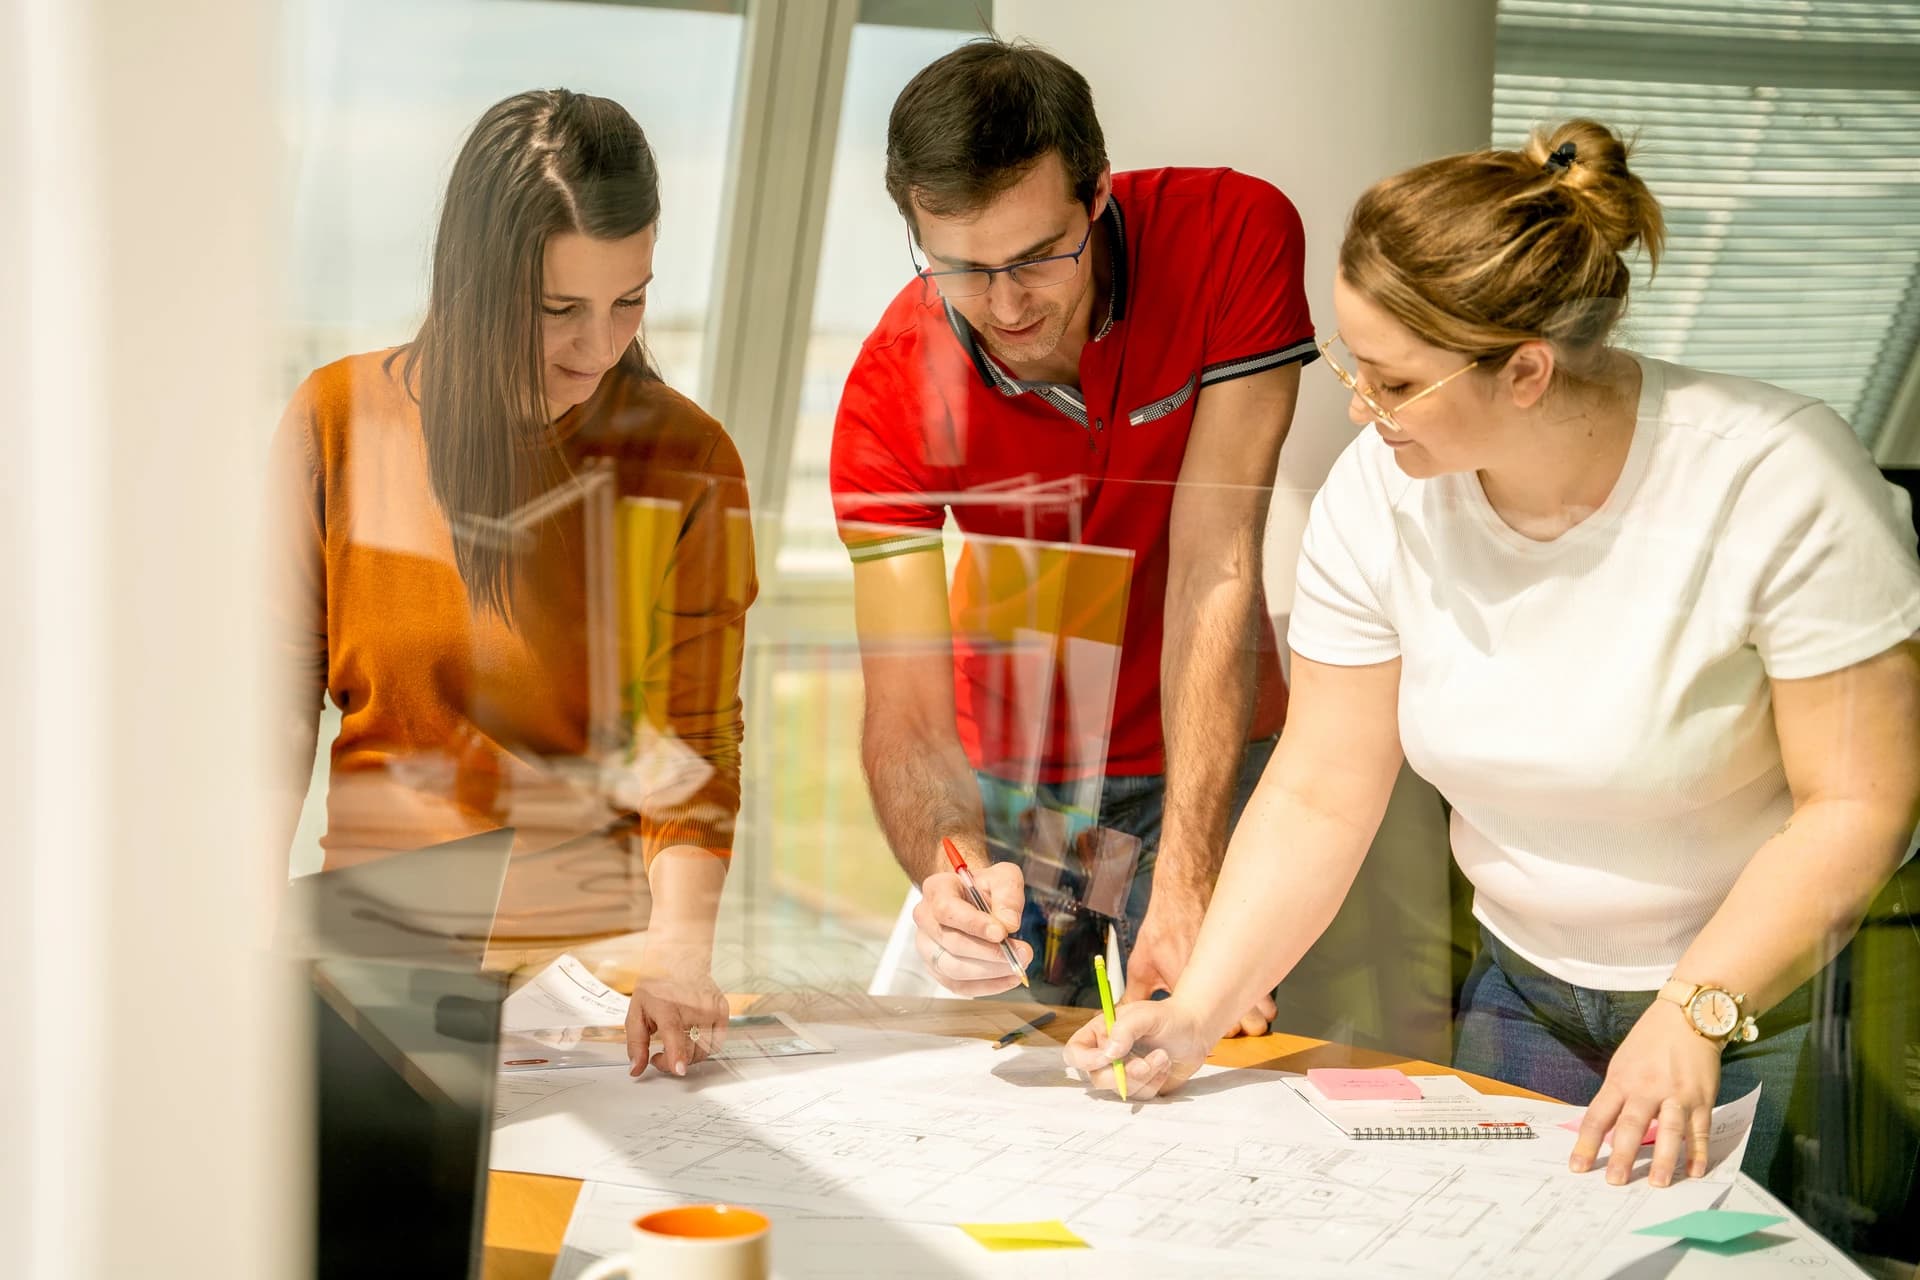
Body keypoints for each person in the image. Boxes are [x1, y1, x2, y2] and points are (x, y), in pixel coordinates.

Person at [1067, 119, 1920, 1192]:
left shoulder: (1777, 478)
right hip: (1524, 990)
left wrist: (1698, 1008)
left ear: (1524, 371)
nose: (1360, 406)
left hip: (1774, 996)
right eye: (1353, 363)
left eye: (1393, 380)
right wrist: (1195, 1009)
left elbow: (1859, 803)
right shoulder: (1381, 494)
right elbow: (1323, 789)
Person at [270, 89, 756, 1078]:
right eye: (558, 309)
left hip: (592, 996)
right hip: (380, 973)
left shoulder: (689, 458)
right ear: (473, 280)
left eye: (632, 298)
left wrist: (679, 948)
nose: (599, 346)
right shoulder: (337, 418)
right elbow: (269, 715)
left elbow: (693, 744)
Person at [830, 38, 1315, 1021]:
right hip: (1033, 771)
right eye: (961, 267)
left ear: (1097, 194)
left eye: (1036, 257)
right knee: (1041, 1048)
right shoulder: (891, 384)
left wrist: (1187, 883)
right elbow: (911, 711)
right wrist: (953, 869)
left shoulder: (1231, 232)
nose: (1006, 305)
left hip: (1206, 743)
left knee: (1202, 1040)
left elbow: (1212, 564)